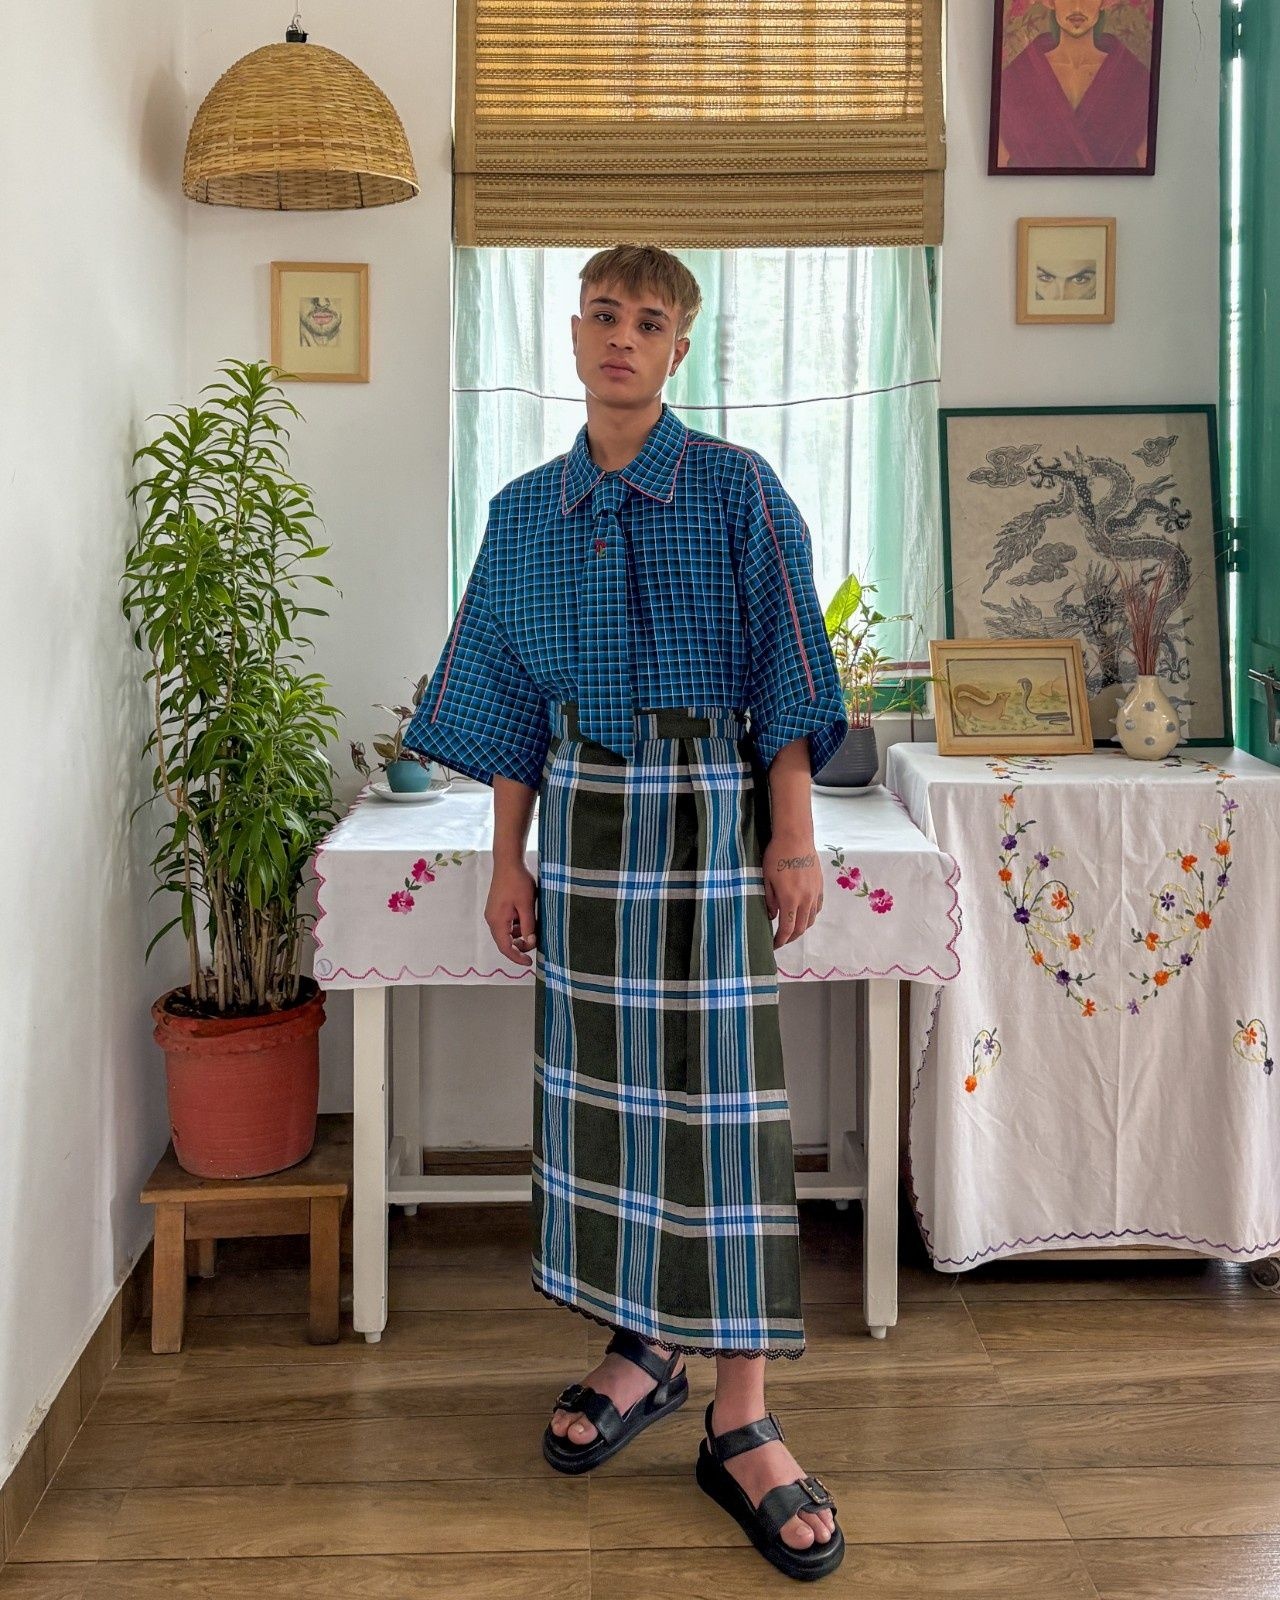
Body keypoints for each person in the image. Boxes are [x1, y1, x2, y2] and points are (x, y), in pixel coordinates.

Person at [402, 244, 848, 1581]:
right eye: (603, 314)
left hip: (710, 813)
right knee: (602, 1100)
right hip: (582, 828)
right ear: (576, 329)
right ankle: (640, 1343)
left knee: (719, 1107)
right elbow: (502, 708)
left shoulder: (736, 492)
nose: (620, 338)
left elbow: (786, 675)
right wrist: (505, 860)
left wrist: (795, 835)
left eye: (648, 322)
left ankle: (743, 1410)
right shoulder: (522, 511)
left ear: (679, 349)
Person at [996, 0, 1152, 170]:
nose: (1077, 7)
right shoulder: (1016, 78)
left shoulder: (1134, 79)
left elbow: (1148, 173)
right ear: (1051, 2)